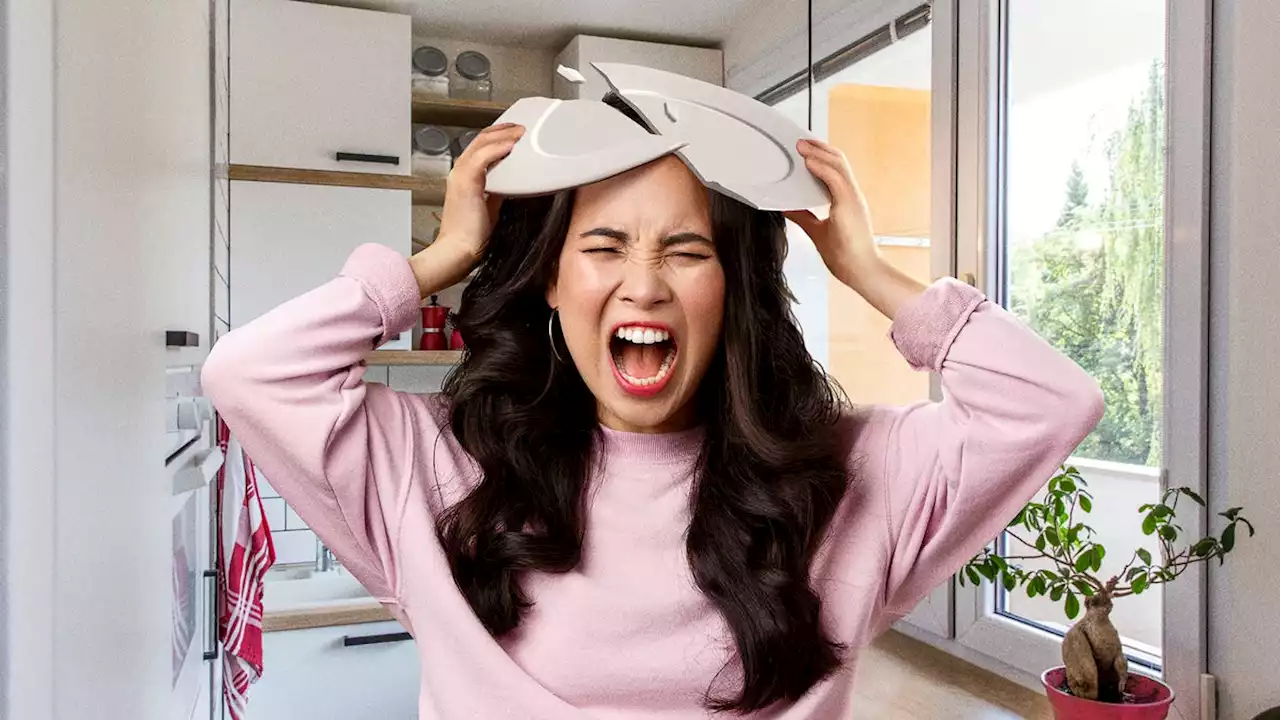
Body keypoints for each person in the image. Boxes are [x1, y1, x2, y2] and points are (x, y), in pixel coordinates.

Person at [202, 102, 1104, 718]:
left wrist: (868, 269)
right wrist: (445, 254)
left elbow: (1052, 404)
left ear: (733, 288)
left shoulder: (846, 477)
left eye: (685, 251)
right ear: (551, 283)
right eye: (602, 247)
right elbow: (248, 374)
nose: (644, 285)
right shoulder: (440, 469)